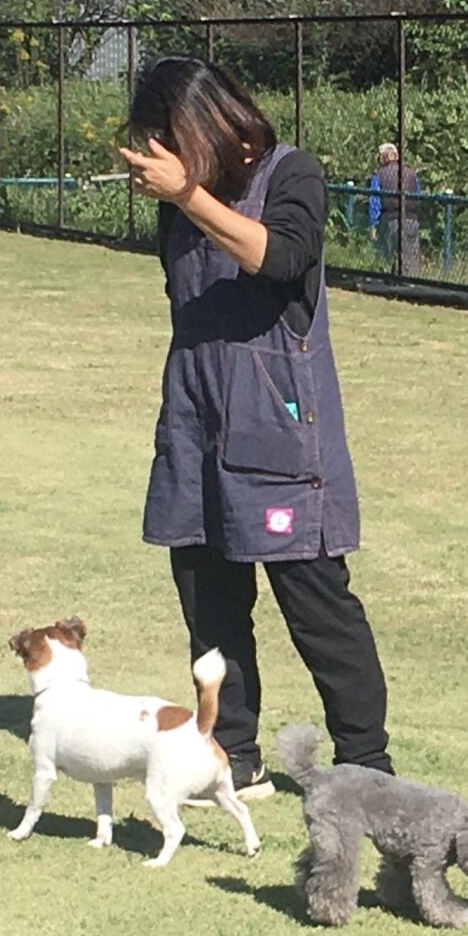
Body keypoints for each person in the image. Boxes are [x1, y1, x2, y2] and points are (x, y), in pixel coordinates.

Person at [119, 57, 394, 794]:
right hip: (195, 422)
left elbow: (278, 257)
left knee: (317, 604)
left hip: (278, 426)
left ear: (201, 124)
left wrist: (189, 196)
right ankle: (232, 755)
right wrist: (182, 198)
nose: (157, 155)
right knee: (209, 602)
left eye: (165, 137)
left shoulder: (291, 173)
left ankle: (366, 765)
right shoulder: (177, 205)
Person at [367, 140, 422, 272]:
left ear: (384, 157)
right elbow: (418, 194)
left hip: (391, 219)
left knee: (389, 256)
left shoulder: (380, 175)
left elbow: (375, 201)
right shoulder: (412, 173)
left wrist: (373, 225)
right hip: (412, 219)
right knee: (410, 257)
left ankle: (392, 279)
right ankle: (411, 279)